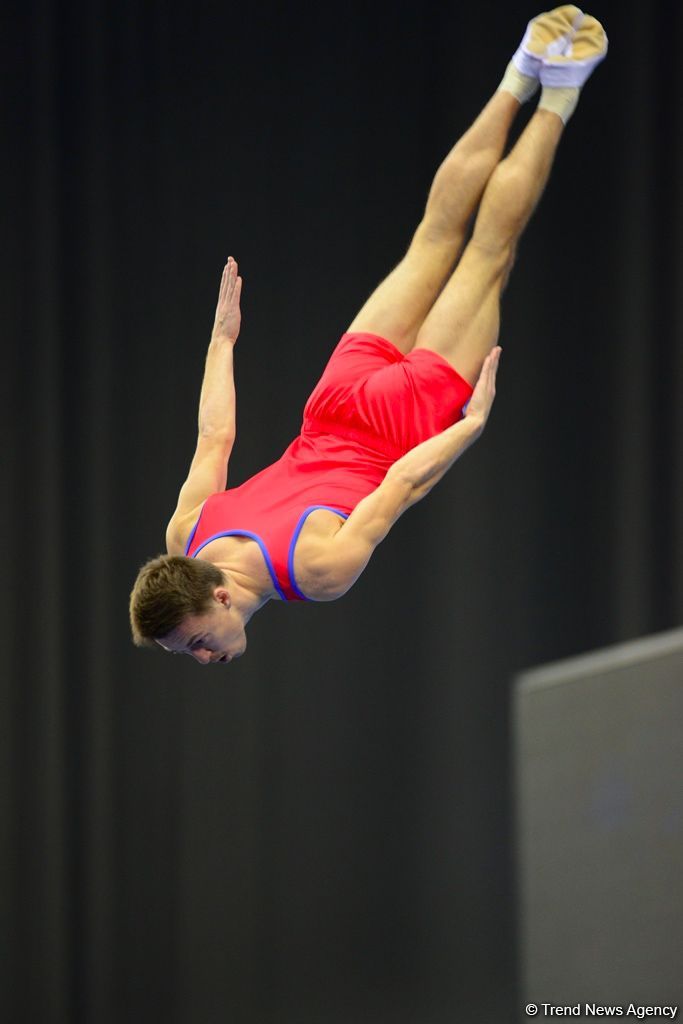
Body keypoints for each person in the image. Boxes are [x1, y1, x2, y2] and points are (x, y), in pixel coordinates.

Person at [130, 6, 607, 665]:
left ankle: (559, 89)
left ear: (215, 599)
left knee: (488, 254)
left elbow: (404, 483)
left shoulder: (317, 572)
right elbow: (215, 437)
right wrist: (221, 343)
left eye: (200, 644)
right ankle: (519, 72)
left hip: (402, 422)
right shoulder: (185, 533)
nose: (206, 658)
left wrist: (468, 425)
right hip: (332, 400)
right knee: (432, 238)